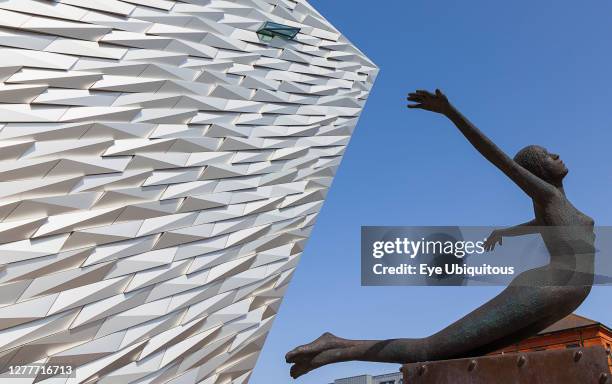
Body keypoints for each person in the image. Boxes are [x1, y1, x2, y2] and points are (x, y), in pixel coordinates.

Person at [285, 89, 595, 379]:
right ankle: (338, 347)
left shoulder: (557, 207)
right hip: (548, 288)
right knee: (432, 348)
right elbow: (498, 158)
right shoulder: (548, 197)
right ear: (537, 171)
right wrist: (451, 113)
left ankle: (338, 346)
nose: (558, 155)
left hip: (567, 295)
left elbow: (538, 227)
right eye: (549, 156)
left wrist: (504, 232)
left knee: (462, 354)